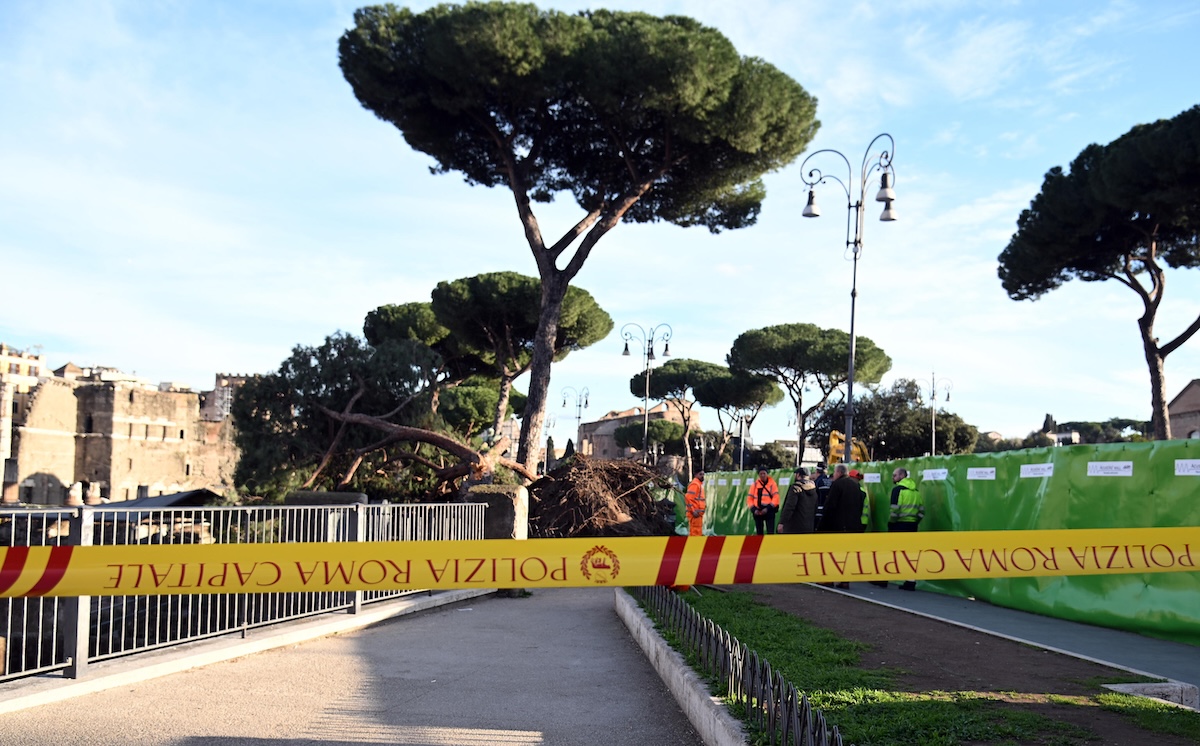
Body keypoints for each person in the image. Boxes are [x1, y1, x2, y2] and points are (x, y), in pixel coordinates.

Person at [816, 464, 866, 588]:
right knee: (847, 554)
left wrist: (821, 526)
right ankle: (845, 580)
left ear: (838, 473)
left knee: (833, 554)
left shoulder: (837, 485)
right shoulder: (856, 487)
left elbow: (830, 506)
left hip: (837, 526)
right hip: (853, 526)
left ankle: (829, 579)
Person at [889, 467, 924, 591]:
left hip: (899, 525)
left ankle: (883, 578)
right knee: (910, 554)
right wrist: (914, 521)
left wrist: (892, 523)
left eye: (894, 475)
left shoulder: (897, 490)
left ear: (901, 476)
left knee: (890, 552)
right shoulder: (916, 492)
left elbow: (894, 510)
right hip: (912, 525)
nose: (893, 478)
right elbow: (921, 512)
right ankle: (910, 581)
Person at [778, 467, 818, 534]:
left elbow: (789, 507)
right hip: (809, 526)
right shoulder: (814, 489)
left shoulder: (795, 488)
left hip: (794, 528)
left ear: (798, 475)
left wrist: (782, 522)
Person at [746, 468, 780, 536]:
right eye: (761, 474)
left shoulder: (772, 484)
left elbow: (776, 498)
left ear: (767, 474)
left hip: (769, 510)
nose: (762, 475)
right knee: (759, 533)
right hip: (757, 511)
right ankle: (759, 545)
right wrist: (754, 509)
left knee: (770, 531)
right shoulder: (755, 485)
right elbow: (749, 498)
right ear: (758, 475)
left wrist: (768, 508)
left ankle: (770, 545)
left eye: (764, 473)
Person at [685, 469, 706, 537]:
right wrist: (693, 511)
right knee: (695, 532)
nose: (702, 476)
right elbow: (688, 498)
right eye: (700, 474)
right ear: (696, 475)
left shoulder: (698, 485)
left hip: (697, 514)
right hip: (695, 514)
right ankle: (695, 546)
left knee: (697, 532)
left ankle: (695, 546)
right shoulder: (695, 484)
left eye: (703, 474)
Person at [811, 462, 833, 528]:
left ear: (817, 471)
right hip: (829, 511)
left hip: (818, 511)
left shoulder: (817, 482)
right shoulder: (830, 481)